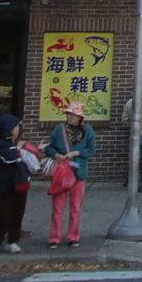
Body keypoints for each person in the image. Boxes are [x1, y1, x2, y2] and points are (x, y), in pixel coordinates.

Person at [45, 102, 96, 248]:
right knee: (57, 207)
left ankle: (73, 236)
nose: (69, 117)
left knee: (75, 207)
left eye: (72, 114)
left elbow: (92, 150)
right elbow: (48, 147)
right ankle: (54, 238)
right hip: (62, 172)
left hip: (79, 173)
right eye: (68, 114)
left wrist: (76, 153)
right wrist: (56, 155)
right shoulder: (59, 130)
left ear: (79, 117)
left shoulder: (88, 131)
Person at [0, 112, 30, 255]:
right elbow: (10, 157)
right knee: (2, 214)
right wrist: (20, 150)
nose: (18, 129)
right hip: (5, 186)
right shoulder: (0, 144)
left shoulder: (16, 143)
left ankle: (13, 241)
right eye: (16, 126)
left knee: (18, 213)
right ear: (8, 128)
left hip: (20, 184)